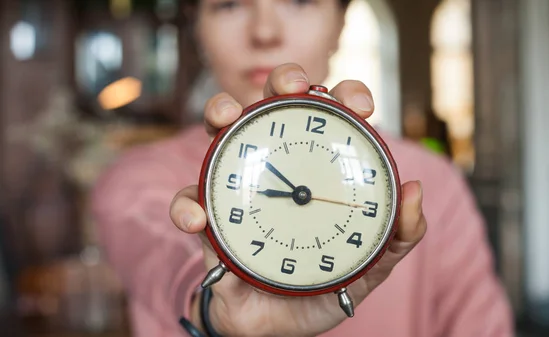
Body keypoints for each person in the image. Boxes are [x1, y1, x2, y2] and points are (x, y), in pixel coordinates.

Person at [90, 0, 514, 336]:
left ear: (342, 20)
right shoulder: (134, 180)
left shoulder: (432, 182)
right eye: (228, 5)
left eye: (300, 0)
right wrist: (214, 314)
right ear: (195, 24)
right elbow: (161, 260)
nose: (265, 32)